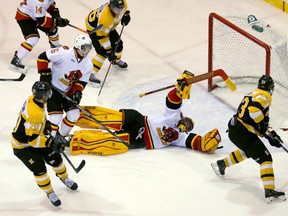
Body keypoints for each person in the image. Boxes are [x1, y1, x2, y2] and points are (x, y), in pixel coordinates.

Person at [69, 71, 222, 156]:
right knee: (110, 118)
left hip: (141, 139)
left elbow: (198, 143)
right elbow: (172, 100)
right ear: (183, 119)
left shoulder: (182, 138)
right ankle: (77, 114)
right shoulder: (174, 117)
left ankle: (76, 140)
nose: (185, 126)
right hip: (140, 120)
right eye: (186, 122)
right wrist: (179, 91)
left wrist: (209, 143)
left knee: (113, 141)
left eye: (188, 127)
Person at [211, 75, 286, 204]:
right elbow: (253, 111)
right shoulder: (266, 96)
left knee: (250, 151)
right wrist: (263, 130)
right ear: (270, 88)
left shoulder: (253, 93)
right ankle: (269, 191)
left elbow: (256, 122)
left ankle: (221, 164)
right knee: (265, 158)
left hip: (236, 129)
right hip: (241, 132)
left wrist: (269, 135)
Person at [11, 81, 78, 207]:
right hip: (22, 146)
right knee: (39, 168)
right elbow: (33, 140)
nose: (49, 95)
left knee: (55, 159)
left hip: (35, 137)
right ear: (42, 95)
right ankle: (50, 192)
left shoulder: (33, 99)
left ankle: (65, 178)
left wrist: (46, 125)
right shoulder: (34, 113)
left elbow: (35, 125)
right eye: (47, 93)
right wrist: (51, 142)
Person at [11, 0, 69, 72]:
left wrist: (57, 17)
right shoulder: (38, 1)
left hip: (35, 15)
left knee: (53, 30)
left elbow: (50, 6)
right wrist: (56, 22)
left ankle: (56, 48)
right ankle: (16, 59)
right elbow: (41, 21)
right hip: (25, 17)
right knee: (33, 39)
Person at [85, 0, 131, 83]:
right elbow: (102, 36)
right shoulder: (105, 19)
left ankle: (115, 61)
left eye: (121, 9)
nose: (119, 11)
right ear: (111, 7)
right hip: (96, 29)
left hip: (109, 27)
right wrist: (109, 51)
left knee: (118, 44)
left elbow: (122, 13)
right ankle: (89, 73)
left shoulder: (123, 5)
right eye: (117, 9)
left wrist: (125, 16)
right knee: (103, 52)